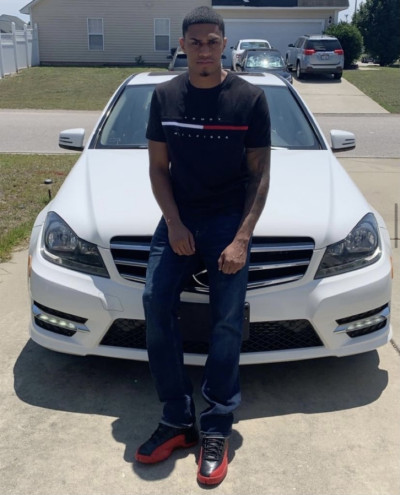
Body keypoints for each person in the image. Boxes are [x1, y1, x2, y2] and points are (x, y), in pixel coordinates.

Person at [135, 5, 271, 486]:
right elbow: (158, 168)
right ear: (183, 46)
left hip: (228, 221)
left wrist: (241, 238)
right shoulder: (165, 96)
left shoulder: (250, 99)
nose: (204, 50)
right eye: (195, 42)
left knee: (227, 320)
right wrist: (174, 223)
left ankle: (216, 427)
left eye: (213, 41)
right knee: (155, 301)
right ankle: (177, 420)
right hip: (181, 216)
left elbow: (259, 176)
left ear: (225, 44)